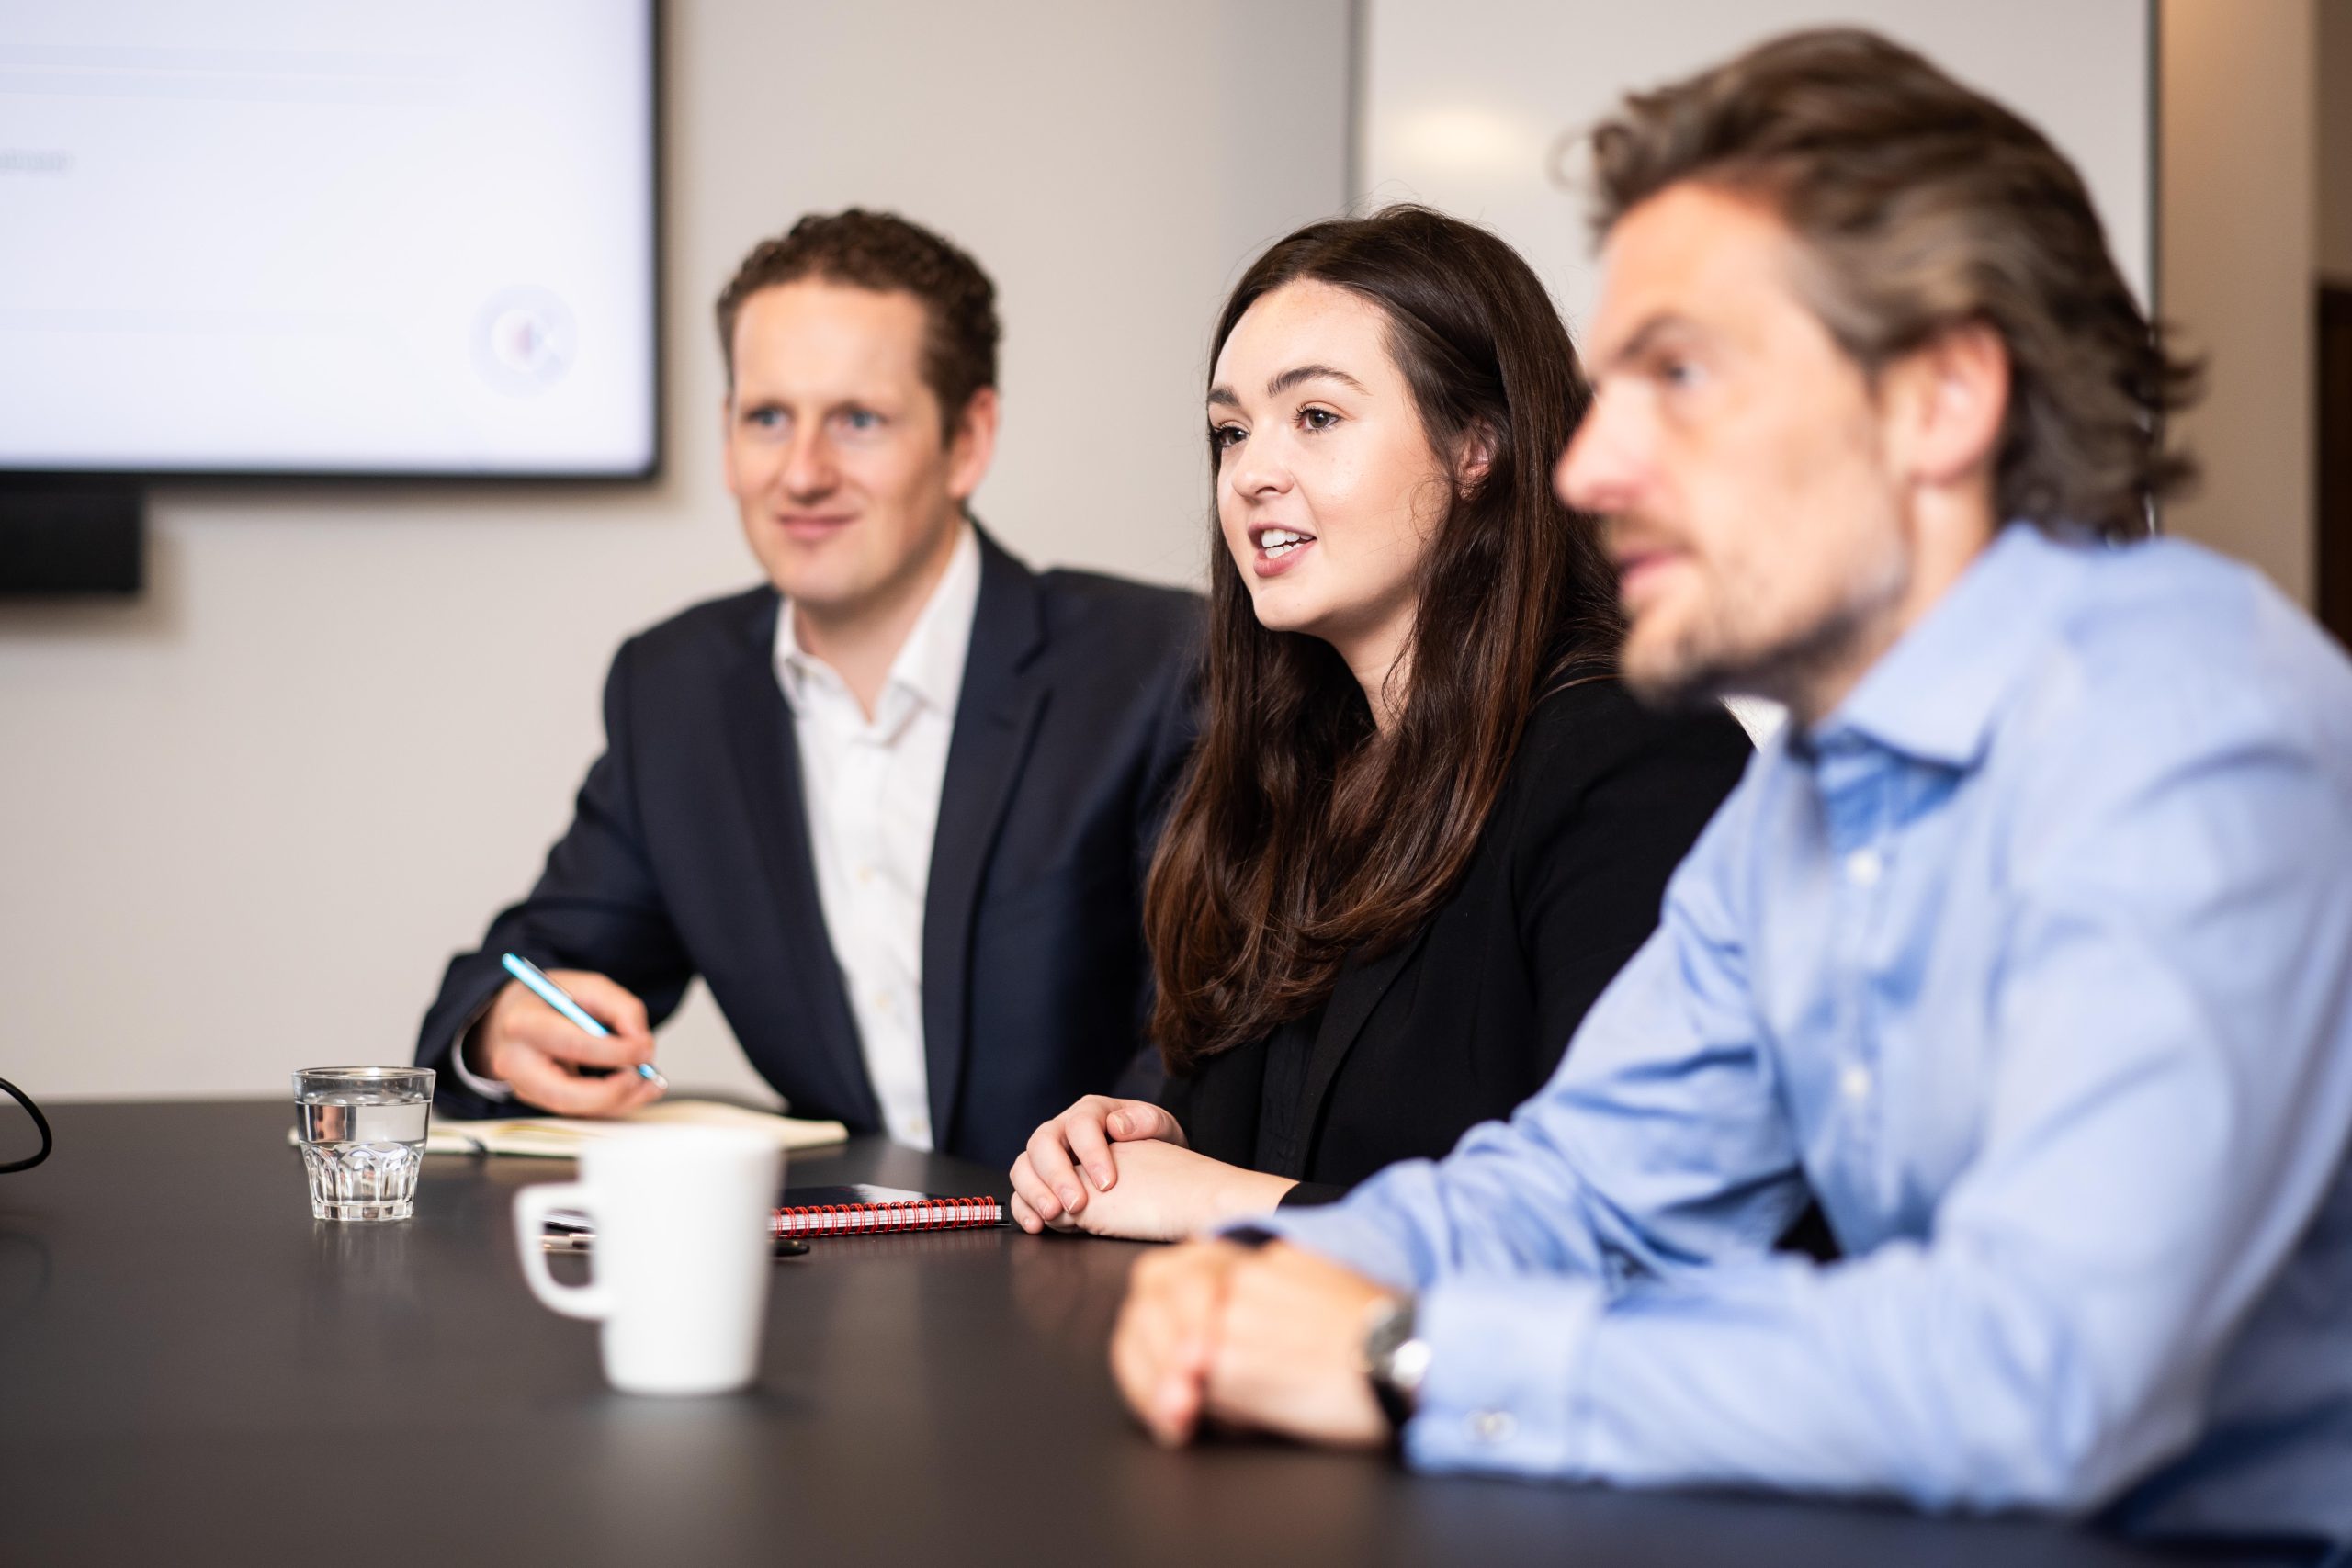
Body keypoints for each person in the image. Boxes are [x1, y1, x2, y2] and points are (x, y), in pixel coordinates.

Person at [1107, 28, 2352, 1551]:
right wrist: (1271, 1274)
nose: (1593, 466)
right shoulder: (1814, 793)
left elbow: (2040, 1373)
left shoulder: (2191, 725)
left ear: (1943, 399)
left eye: (1678, 375)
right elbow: (1584, 1190)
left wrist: (1401, 1349)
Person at [1007, 208, 1749, 1240]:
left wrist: (1223, 1203)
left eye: (1314, 417)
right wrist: (1151, 1147)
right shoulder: (1292, 766)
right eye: (1231, 432)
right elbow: (1310, 1150)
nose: (1251, 472)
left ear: (1476, 448)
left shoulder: (1635, 754)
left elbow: (1635, 1226)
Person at [415, 210, 1200, 1168]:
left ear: (968, 440)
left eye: (858, 421)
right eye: (768, 419)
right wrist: (504, 1030)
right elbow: (534, 963)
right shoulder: (677, 692)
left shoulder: (1156, 668)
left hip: (1102, 1271)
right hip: (831, 1280)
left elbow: (1218, 1037)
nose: (801, 474)